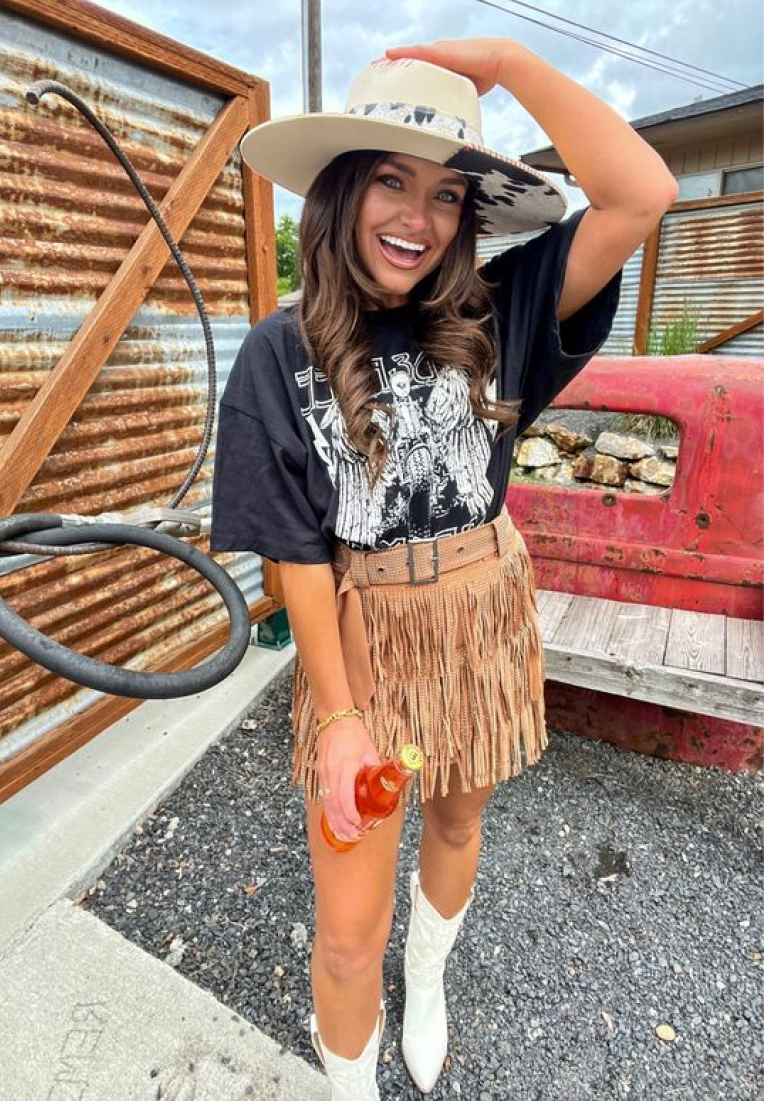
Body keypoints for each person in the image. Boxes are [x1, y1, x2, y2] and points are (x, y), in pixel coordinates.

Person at [211, 36, 677, 1100]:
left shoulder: (503, 310)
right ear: (340, 191)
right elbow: (294, 551)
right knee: (341, 931)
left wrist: (505, 61)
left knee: (457, 819)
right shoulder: (276, 353)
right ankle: (348, 1084)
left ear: (470, 216)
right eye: (388, 180)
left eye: (446, 194)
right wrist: (336, 718)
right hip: (363, 644)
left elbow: (639, 192)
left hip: (480, 620)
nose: (416, 219)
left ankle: (427, 980)